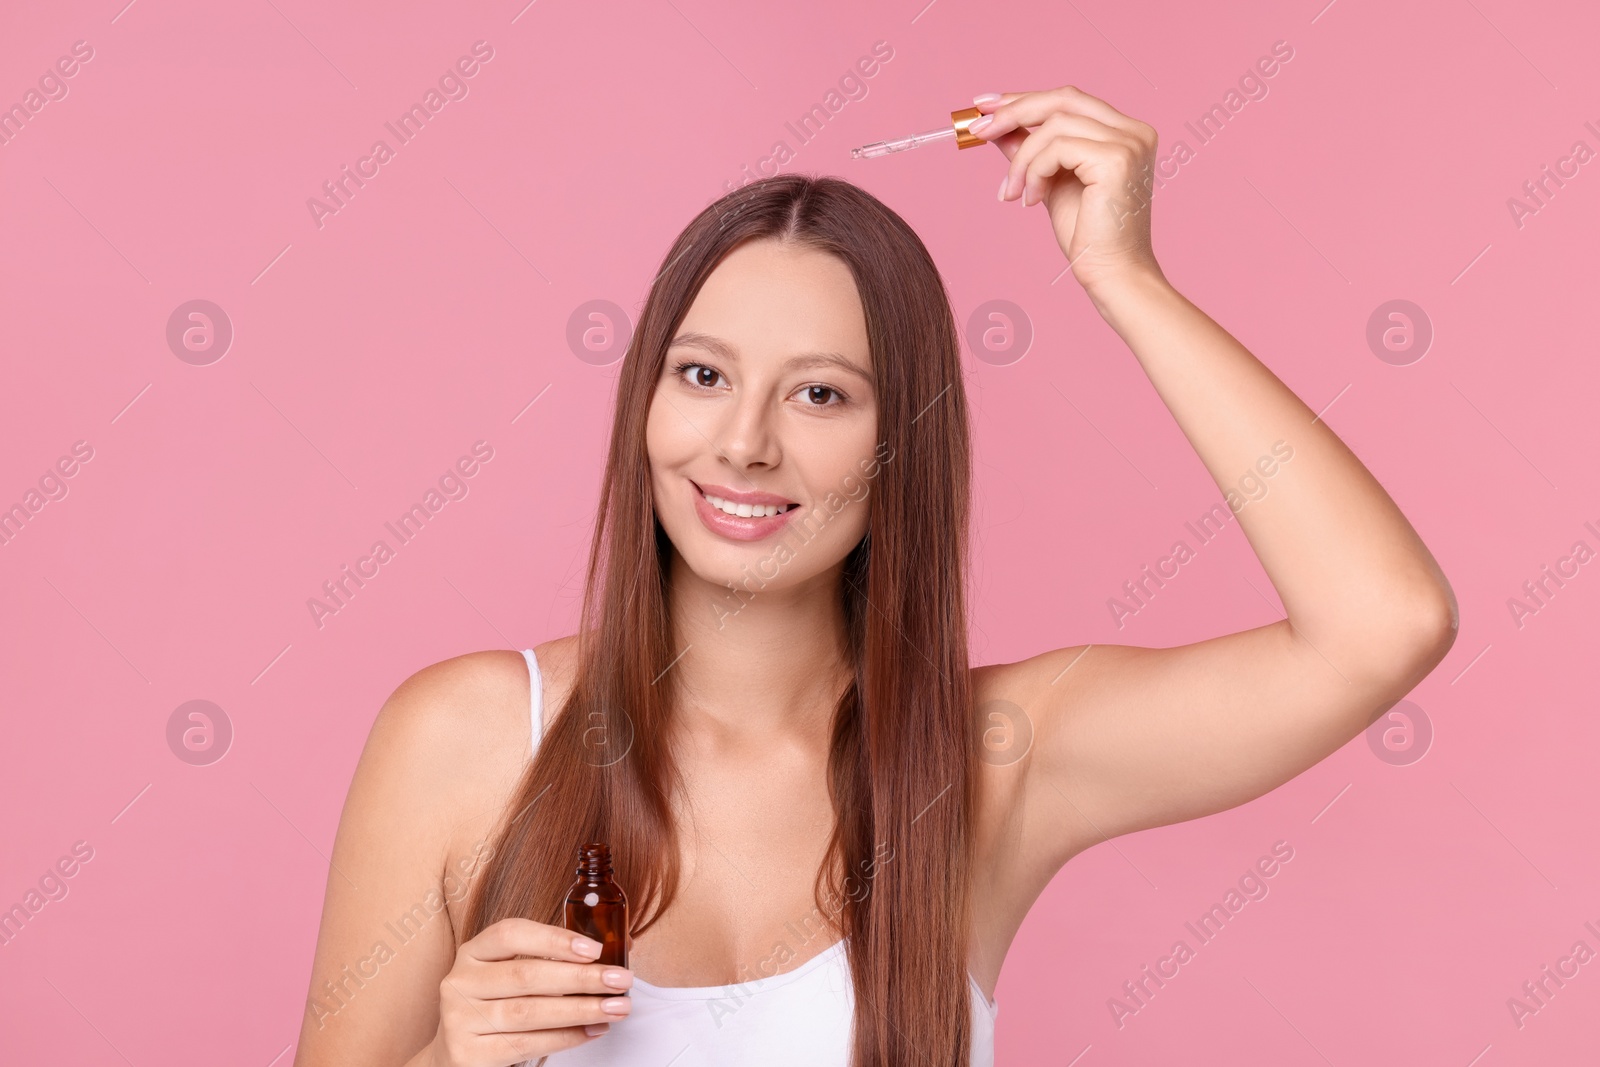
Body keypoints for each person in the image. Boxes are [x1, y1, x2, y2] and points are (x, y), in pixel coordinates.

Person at [292, 85, 1457, 1067]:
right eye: (701, 375)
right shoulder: (469, 735)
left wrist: (1123, 277)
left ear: (904, 440)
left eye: (819, 394)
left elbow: (1381, 624)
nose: (742, 443)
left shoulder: (998, 756)